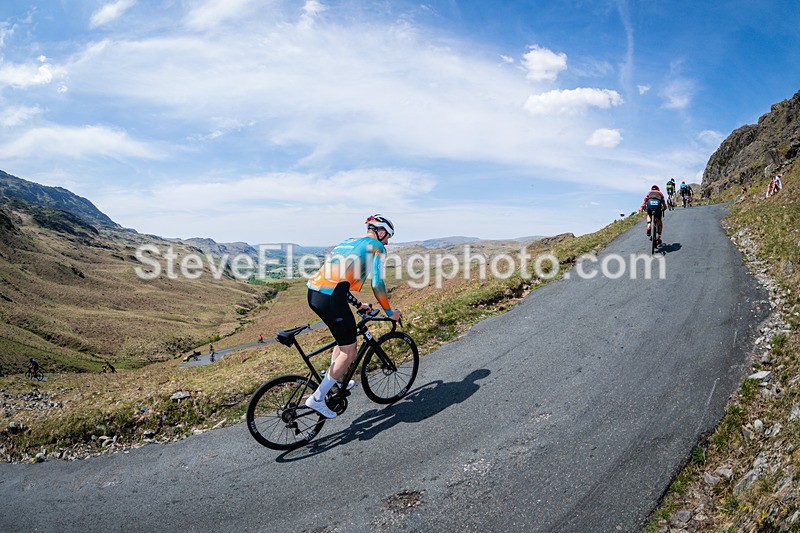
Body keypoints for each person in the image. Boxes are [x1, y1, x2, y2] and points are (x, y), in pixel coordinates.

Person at [304, 214, 403, 418]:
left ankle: (335, 380)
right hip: (331, 299)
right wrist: (390, 312)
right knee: (349, 352)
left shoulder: (348, 242)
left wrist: (359, 304)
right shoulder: (377, 247)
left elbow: (338, 280)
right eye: (388, 237)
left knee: (344, 342)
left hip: (315, 293)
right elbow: (377, 284)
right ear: (381, 232)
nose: (387, 242)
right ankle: (317, 398)